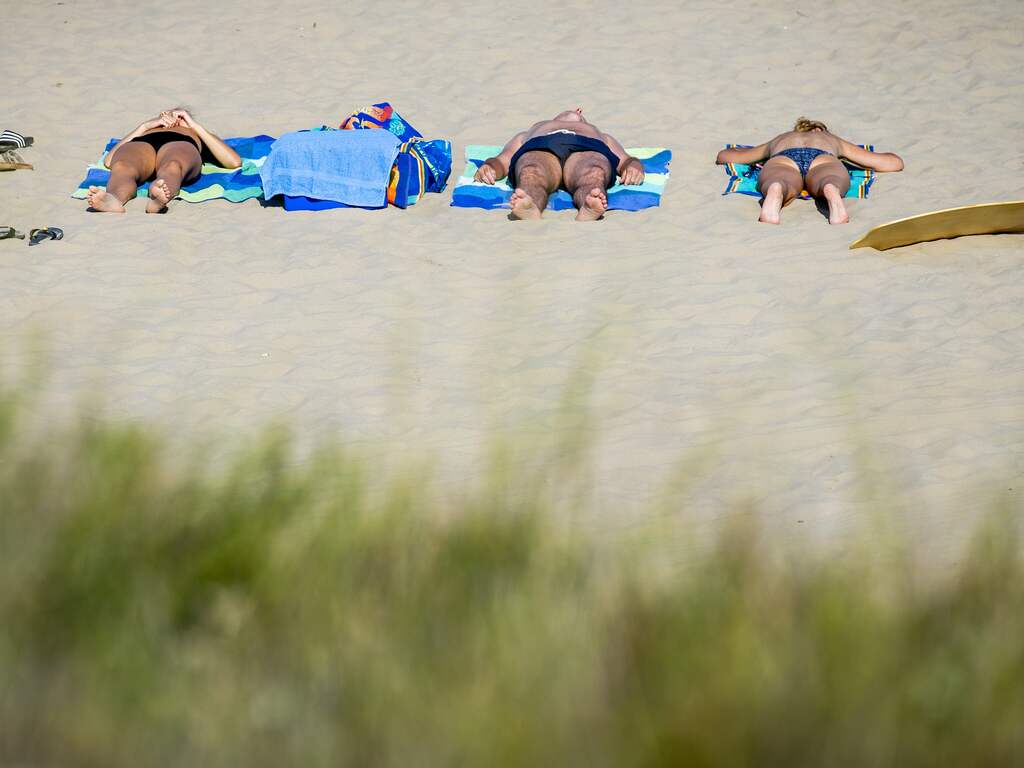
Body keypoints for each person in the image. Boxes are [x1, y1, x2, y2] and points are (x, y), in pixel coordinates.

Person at [715, 118, 904, 225]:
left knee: (779, 178)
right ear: (820, 129)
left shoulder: (781, 138)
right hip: (822, 156)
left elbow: (729, 157)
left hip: (783, 156)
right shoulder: (830, 139)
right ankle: (831, 189)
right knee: (829, 178)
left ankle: (776, 188)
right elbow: (892, 163)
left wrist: (733, 151)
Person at [474, 108, 646, 221]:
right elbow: (502, 160)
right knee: (531, 171)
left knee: (594, 172)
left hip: (587, 146)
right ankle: (530, 205)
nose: (575, 111)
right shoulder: (529, 133)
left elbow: (625, 160)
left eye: (579, 114)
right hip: (541, 145)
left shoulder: (602, 135)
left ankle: (589, 205)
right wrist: (490, 167)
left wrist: (633, 166)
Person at [87, 109, 241, 213]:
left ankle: (157, 199)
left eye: (180, 116)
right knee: (122, 166)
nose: (174, 119)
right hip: (143, 142)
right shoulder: (148, 128)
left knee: (173, 166)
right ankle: (114, 199)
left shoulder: (195, 131)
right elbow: (109, 161)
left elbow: (234, 161)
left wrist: (193, 125)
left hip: (181, 142)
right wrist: (145, 126)